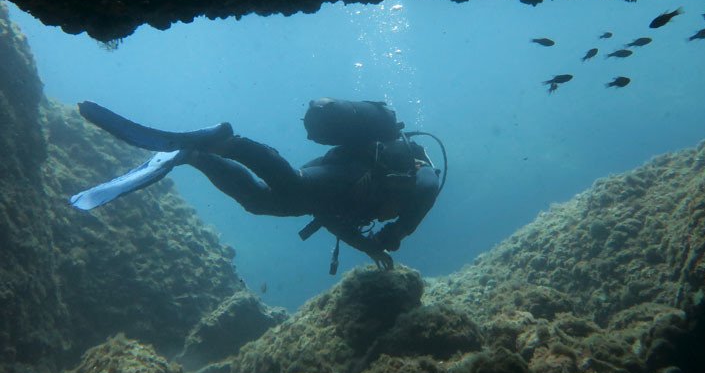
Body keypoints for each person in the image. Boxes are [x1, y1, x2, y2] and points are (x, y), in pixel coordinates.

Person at [70, 98, 445, 273]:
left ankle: (196, 156)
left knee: (262, 202)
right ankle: (227, 142)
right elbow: (429, 186)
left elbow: (333, 219)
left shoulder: (376, 192)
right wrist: (397, 234)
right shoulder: (414, 166)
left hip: (334, 185)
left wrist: (370, 248)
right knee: (293, 188)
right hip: (347, 174)